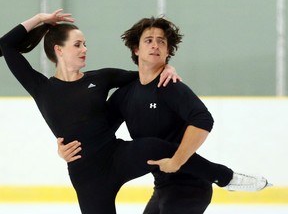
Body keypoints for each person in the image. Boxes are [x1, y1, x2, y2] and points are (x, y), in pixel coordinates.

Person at [57, 16, 270, 214]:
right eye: (148, 40)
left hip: (190, 186)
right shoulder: (126, 94)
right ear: (136, 49)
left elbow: (203, 119)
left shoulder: (170, 86)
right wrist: (67, 148)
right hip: (162, 186)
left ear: (168, 51)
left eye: (161, 42)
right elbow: (99, 130)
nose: (155, 45)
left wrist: (178, 160)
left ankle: (229, 178)